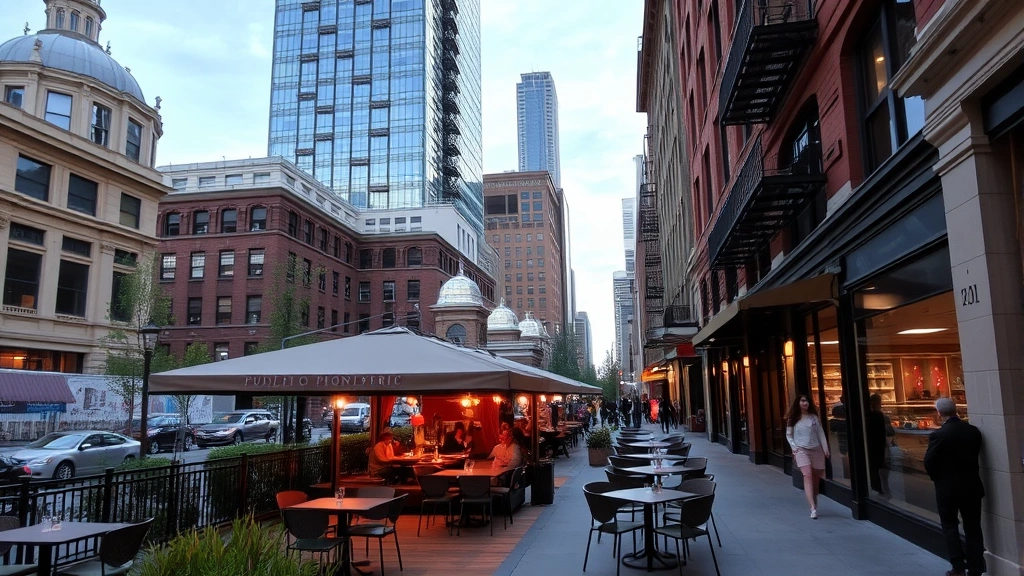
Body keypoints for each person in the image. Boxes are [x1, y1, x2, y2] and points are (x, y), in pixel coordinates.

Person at [924, 397, 985, 576]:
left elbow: (929, 461)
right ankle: (976, 568)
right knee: (973, 526)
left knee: (950, 525)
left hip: (948, 487)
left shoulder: (939, 434)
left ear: (939, 413)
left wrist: (939, 478)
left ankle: (958, 566)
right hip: (972, 485)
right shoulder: (973, 431)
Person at [785, 394, 830, 519]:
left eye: (807, 401)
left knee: (816, 479)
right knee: (807, 474)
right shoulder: (793, 419)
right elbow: (789, 435)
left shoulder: (814, 418)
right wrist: (795, 448)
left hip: (817, 450)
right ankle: (813, 508)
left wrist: (825, 449)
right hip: (801, 450)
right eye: (803, 401)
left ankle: (813, 497)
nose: (806, 403)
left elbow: (821, 433)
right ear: (798, 403)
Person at [865, 393, 890, 494]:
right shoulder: (879, 415)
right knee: (880, 466)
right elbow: (885, 431)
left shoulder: (867, 415)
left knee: (874, 467)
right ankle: (882, 487)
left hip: (872, 445)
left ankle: (877, 487)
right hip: (879, 445)